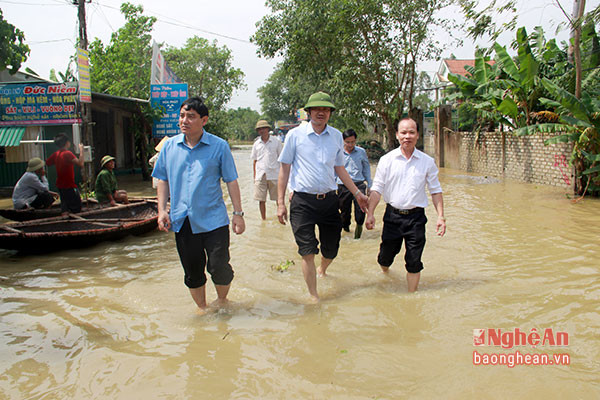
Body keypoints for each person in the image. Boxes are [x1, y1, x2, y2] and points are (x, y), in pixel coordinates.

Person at [152, 96, 245, 314]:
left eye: (191, 117)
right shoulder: (169, 147)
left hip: (214, 221)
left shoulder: (219, 146)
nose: (185, 120)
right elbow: (162, 179)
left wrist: (238, 214)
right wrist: (161, 211)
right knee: (192, 271)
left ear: (204, 120)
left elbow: (231, 180)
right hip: (182, 220)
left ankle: (222, 302)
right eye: (182, 116)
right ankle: (203, 309)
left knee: (219, 267)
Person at [277, 92, 368, 302]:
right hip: (301, 201)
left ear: (330, 113)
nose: (321, 113)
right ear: (308, 112)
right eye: (317, 109)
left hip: (329, 200)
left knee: (332, 249)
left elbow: (339, 168)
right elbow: (284, 170)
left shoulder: (336, 136)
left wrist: (357, 193)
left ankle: (323, 269)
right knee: (307, 250)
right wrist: (280, 203)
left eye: (326, 109)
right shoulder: (295, 136)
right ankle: (314, 296)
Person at [365, 118, 446, 292]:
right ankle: (385, 272)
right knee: (385, 257)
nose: (407, 136)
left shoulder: (427, 162)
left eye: (411, 132)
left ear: (417, 135)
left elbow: (435, 190)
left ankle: (411, 297)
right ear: (397, 135)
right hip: (392, 217)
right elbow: (377, 189)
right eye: (403, 132)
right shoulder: (387, 160)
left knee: (414, 261)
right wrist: (370, 213)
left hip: (416, 218)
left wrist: (440, 217)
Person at [337, 129, 372, 239]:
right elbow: (334, 170)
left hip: (359, 184)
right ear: (343, 141)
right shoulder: (338, 153)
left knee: (361, 211)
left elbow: (366, 168)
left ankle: (358, 236)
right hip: (343, 186)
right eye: (348, 142)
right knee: (344, 212)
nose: (350, 144)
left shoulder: (361, 152)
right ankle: (346, 230)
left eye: (353, 142)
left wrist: (370, 184)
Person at [251, 119, 283, 220]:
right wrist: (255, 176)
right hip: (261, 175)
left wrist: (283, 176)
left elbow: (282, 159)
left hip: (274, 174)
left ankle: (281, 218)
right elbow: (255, 161)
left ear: (268, 129)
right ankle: (263, 220)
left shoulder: (276, 142)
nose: (262, 130)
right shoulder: (256, 144)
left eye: (264, 128)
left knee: (279, 199)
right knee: (261, 200)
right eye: (260, 129)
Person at [45, 133, 85, 214]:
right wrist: (81, 150)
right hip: (69, 185)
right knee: (76, 207)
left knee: (65, 205)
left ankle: (65, 219)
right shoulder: (67, 153)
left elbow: (47, 163)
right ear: (67, 143)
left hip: (60, 185)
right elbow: (81, 164)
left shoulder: (56, 154)